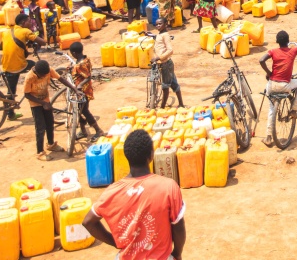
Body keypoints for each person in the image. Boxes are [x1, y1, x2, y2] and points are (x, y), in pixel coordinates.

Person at [83, 130, 186, 260]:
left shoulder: (111, 192)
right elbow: (178, 227)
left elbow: (88, 222)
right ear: (151, 155)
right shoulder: (168, 187)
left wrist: (115, 242)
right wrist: (177, 253)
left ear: (126, 156)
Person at [258, 31, 297, 147]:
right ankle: (294, 109)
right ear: (288, 41)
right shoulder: (294, 50)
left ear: (277, 41)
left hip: (271, 85)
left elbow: (261, 60)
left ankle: (268, 137)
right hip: (284, 86)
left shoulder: (273, 51)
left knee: (271, 109)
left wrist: (269, 73)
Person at [24, 59, 75, 160]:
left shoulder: (49, 70)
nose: (44, 77)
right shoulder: (30, 77)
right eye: (42, 76)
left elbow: (61, 79)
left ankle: (51, 144)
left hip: (46, 101)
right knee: (40, 127)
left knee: (50, 123)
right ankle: (40, 152)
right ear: (37, 72)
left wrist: (74, 88)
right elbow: (27, 95)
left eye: (45, 75)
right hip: (35, 104)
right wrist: (42, 103)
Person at [2, 13, 45, 120]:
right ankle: (33, 91)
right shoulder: (25, 31)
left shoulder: (7, 31)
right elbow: (43, 42)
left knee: (11, 89)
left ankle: (10, 114)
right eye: (29, 21)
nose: (31, 23)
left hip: (6, 64)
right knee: (35, 66)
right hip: (17, 65)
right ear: (23, 23)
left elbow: (7, 45)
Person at [151, 16, 184, 108]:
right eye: (156, 24)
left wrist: (159, 57)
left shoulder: (165, 35)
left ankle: (162, 107)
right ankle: (181, 104)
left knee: (165, 87)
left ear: (165, 24)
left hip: (166, 64)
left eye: (160, 24)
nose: (157, 26)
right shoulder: (160, 34)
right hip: (164, 64)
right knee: (173, 83)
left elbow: (170, 50)